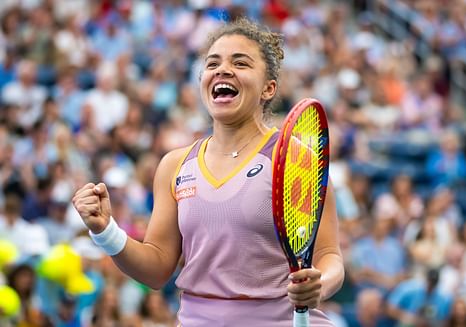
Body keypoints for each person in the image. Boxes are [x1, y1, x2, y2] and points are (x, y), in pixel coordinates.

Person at [72, 18, 344, 326]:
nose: (223, 70)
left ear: (269, 88)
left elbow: (328, 256)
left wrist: (319, 285)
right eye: (212, 63)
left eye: (240, 63)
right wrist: (105, 231)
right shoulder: (175, 165)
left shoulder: (296, 161)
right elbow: (157, 268)